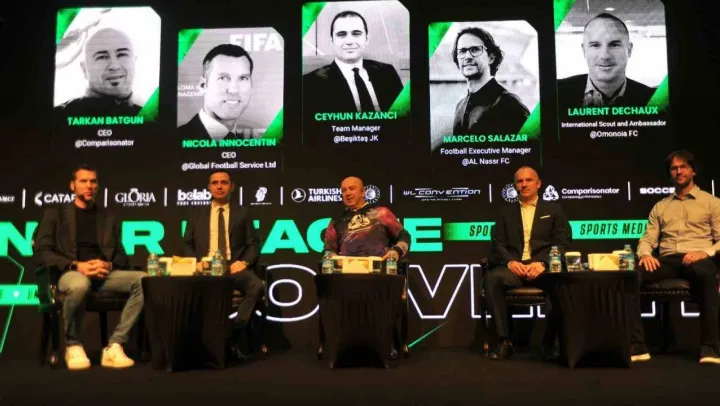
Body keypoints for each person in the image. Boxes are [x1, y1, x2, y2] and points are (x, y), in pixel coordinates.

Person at [33, 165, 146, 370]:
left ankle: (115, 345)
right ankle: (73, 345)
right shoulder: (55, 214)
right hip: (70, 273)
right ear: (73, 186)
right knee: (80, 284)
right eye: (83, 181)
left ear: (98, 186)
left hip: (103, 274)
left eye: (93, 181)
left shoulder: (108, 217)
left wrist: (108, 264)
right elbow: (44, 252)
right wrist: (77, 265)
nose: (89, 186)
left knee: (144, 280)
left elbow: (121, 254)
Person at [632, 150, 720, 364]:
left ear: (693, 171)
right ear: (670, 173)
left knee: (708, 274)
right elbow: (647, 239)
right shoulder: (661, 206)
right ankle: (637, 345)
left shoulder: (712, 203)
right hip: (668, 260)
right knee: (632, 275)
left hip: (698, 258)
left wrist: (705, 252)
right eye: (674, 168)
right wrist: (645, 254)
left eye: (683, 167)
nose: (679, 171)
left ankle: (710, 348)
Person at [484, 166, 571, 360]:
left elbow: (563, 242)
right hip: (515, 268)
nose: (524, 184)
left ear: (538, 184)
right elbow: (497, 244)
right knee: (492, 279)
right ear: (515, 185)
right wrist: (510, 262)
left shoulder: (553, 210)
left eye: (528, 180)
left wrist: (543, 263)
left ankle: (549, 342)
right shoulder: (505, 212)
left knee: (561, 284)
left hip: (543, 269)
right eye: (520, 181)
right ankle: (504, 342)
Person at [182, 170, 264, 358]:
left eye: (224, 182)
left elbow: (254, 244)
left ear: (231, 186)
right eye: (215, 183)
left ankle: (232, 336)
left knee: (257, 286)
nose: (219, 186)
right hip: (205, 268)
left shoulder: (243, 213)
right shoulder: (197, 214)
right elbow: (187, 244)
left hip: (232, 267)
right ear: (209, 187)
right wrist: (196, 263)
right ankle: (192, 343)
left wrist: (243, 262)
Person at [303, 10, 404, 113]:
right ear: (332, 41)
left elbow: (403, 115)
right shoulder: (310, 83)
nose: (349, 42)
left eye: (356, 34)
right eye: (341, 34)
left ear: (367, 39)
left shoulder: (387, 72)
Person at [557, 13, 655, 109]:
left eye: (614, 45)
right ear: (584, 51)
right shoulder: (557, 91)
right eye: (595, 45)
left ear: (629, 50)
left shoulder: (653, 99)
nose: (605, 56)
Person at [451, 27, 529, 136]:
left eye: (475, 49)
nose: (467, 57)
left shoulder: (510, 105)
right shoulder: (460, 106)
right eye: (462, 51)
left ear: (491, 58)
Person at [54, 28, 143, 118]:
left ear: (135, 62)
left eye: (122, 54)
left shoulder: (148, 116)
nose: (114, 66)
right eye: (102, 57)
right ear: (84, 69)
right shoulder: (56, 117)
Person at [178, 44, 256, 140]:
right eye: (223, 78)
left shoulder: (253, 143)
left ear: (251, 84)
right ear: (203, 85)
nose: (233, 90)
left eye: (243, 78)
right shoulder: (172, 140)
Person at [323, 176, 410, 259]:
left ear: (363, 192)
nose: (347, 193)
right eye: (344, 190)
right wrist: (331, 257)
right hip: (347, 268)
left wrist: (396, 251)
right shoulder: (336, 221)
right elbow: (328, 249)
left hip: (379, 267)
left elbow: (404, 236)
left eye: (352, 188)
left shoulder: (381, 213)